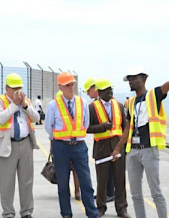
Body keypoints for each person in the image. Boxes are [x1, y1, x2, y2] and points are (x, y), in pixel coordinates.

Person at [111, 63, 169, 218]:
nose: (130, 81)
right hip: (132, 151)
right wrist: (117, 148)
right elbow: (127, 128)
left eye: (133, 78)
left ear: (144, 78)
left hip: (149, 150)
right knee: (136, 195)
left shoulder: (154, 95)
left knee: (156, 193)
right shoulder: (131, 103)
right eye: (129, 79)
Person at [45, 71, 99, 218]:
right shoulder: (53, 105)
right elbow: (49, 127)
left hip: (79, 146)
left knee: (86, 182)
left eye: (72, 84)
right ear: (60, 87)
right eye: (67, 85)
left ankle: (92, 214)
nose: (71, 87)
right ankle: (66, 214)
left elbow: (85, 123)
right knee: (63, 184)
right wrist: (59, 140)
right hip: (61, 147)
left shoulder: (82, 103)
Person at [0, 73, 39, 218]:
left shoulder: (26, 101)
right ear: (6, 88)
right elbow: (0, 119)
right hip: (8, 146)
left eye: (19, 88)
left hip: (25, 144)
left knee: (26, 181)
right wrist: (14, 104)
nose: (17, 91)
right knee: (7, 183)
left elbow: (36, 118)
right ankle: (8, 212)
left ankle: (26, 212)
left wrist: (24, 105)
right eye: (14, 88)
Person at [87, 79, 130, 218]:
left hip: (118, 147)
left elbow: (125, 128)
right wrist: (103, 127)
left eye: (111, 89)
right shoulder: (92, 108)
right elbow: (86, 128)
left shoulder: (119, 105)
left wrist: (124, 147)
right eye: (106, 90)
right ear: (99, 92)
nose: (110, 92)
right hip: (102, 149)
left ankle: (122, 208)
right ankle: (101, 207)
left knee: (120, 179)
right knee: (102, 181)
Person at [83, 78, 115, 203]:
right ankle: (104, 193)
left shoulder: (112, 103)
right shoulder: (94, 106)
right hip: (101, 144)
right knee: (102, 172)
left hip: (112, 143)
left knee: (110, 171)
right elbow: (88, 127)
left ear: (94, 88)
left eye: (88, 91)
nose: (87, 94)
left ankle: (110, 193)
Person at [55, 90, 81, 201]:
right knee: (64, 172)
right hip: (61, 145)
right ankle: (65, 192)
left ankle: (77, 190)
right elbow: (51, 129)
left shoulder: (76, 108)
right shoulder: (55, 108)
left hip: (75, 144)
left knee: (76, 170)